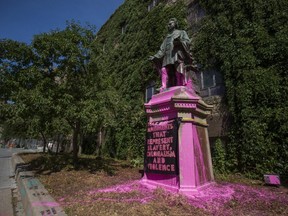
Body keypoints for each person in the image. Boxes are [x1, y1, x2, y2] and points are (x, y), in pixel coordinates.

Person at [149, 18, 196, 92]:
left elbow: (188, 42)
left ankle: (180, 84)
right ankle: (164, 86)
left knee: (178, 69)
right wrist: (155, 56)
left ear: (175, 24)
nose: (168, 25)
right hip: (167, 56)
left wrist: (180, 42)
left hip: (177, 55)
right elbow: (162, 49)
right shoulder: (167, 38)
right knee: (164, 69)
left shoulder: (181, 32)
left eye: (170, 24)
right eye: (168, 24)